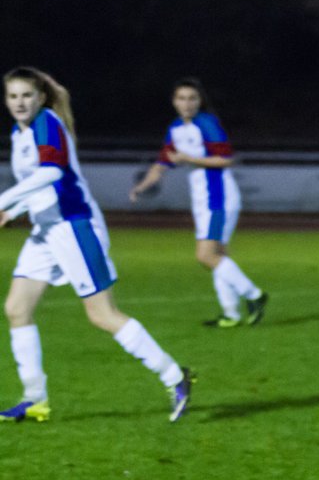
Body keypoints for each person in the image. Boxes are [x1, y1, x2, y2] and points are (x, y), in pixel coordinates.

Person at [0, 66, 192, 423]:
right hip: (45, 231)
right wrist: (14, 209)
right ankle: (35, 399)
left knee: (102, 315)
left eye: (26, 95)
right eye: (12, 96)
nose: (19, 103)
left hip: (75, 227)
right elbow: (41, 184)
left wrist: (4, 200)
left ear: (41, 97)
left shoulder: (46, 122)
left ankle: (175, 376)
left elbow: (54, 172)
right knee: (16, 308)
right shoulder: (19, 132)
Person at [129, 78, 267, 328]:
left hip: (219, 198)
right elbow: (162, 163)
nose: (187, 103)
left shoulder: (206, 123)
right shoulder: (175, 128)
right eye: (181, 98)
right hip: (203, 201)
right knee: (219, 255)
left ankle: (255, 295)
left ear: (199, 101)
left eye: (192, 98)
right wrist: (142, 186)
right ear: (174, 102)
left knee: (205, 255)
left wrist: (188, 158)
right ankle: (231, 314)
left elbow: (225, 159)